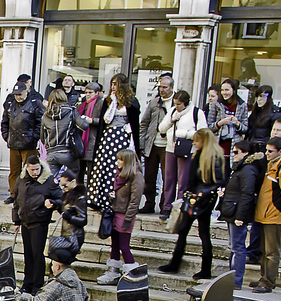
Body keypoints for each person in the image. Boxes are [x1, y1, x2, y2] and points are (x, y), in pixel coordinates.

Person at [160, 127, 224, 280]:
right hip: (203, 199)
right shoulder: (215, 157)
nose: (194, 143)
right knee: (198, 233)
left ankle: (181, 264)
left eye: (197, 141)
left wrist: (191, 195)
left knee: (191, 232)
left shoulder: (204, 157)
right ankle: (200, 267)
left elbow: (195, 181)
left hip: (198, 199)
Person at [250, 137, 281, 294]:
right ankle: (263, 277)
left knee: (272, 252)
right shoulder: (272, 165)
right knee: (265, 251)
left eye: (270, 151)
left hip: (275, 215)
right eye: (266, 150)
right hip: (265, 214)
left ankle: (268, 281)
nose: (267, 154)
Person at [83, 74, 138, 215]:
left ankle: (112, 200)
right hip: (108, 137)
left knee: (116, 168)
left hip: (122, 138)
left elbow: (135, 124)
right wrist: (113, 102)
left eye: (116, 84)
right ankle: (98, 199)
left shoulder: (131, 102)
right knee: (102, 167)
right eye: (112, 84)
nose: (113, 87)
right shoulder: (108, 101)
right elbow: (105, 120)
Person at [219, 141, 267, 289]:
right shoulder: (241, 168)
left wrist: (240, 216)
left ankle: (236, 280)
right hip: (232, 210)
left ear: (245, 153)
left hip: (236, 213)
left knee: (238, 247)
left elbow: (247, 194)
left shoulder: (247, 170)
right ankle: (232, 278)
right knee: (234, 246)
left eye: (236, 152)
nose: (233, 155)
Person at [15, 235, 86, 301]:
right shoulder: (77, 281)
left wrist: (17, 294)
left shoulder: (58, 285)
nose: (52, 267)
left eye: (52, 265)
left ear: (57, 267)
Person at [97, 147, 145, 286]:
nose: (117, 162)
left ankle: (134, 275)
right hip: (115, 213)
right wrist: (112, 197)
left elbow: (134, 201)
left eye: (120, 159)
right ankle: (113, 272)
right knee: (115, 245)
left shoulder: (136, 177)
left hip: (125, 216)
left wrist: (128, 219)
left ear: (127, 161)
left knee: (124, 246)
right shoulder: (120, 175)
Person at [13, 153, 60, 292]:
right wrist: (16, 220)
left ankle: (37, 284)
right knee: (28, 254)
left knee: (37, 254)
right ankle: (27, 283)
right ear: (26, 168)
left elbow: (61, 198)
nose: (35, 172)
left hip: (39, 221)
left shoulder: (49, 180)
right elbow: (16, 201)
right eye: (32, 169)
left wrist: (52, 203)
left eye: (37, 169)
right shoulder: (21, 180)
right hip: (25, 221)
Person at [156, 90, 204, 216]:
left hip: (186, 149)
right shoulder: (172, 111)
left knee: (183, 180)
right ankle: (167, 207)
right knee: (169, 179)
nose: (176, 106)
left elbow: (203, 132)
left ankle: (179, 207)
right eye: (175, 103)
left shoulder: (196, 113)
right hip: (170, 148)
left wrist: (185, 134)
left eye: (179, 104)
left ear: (185, 103)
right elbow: (161, 128)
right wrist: (171, 120)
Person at [0, 77, 42, 204]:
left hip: (28, 142)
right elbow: (4, 123)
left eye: (20, 94)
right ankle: (14, 194)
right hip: (14, 142)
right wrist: (7, 136)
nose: (18, 97)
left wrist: (34, 137)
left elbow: (40, 123)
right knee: (14, 171)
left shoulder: (35, 103)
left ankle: (28, 194)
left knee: (30, 170)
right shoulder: (10, 104)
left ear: (26, 92)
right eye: (16, 94)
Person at [138, 72, 176, 215]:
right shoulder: (154, 102)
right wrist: (142, 144)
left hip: (169, 145)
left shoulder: (176, 102)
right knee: (150, 175)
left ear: (171, 87)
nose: (162, 90)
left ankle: (165, 205)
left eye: (165, 87)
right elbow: (144, 123)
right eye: (160, 87)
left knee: (168, 176)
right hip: (153, 143)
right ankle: (149, 203)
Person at [209, 78, 248, 157]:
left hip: (233, 147)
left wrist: (237, 123)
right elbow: (209, 126)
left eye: (227, 90)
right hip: (217, 147)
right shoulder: (216, 104)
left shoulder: (242, 105)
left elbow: (245, 128)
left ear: (233, 90)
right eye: (222, 90)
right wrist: (220, 123)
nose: (224, 93)